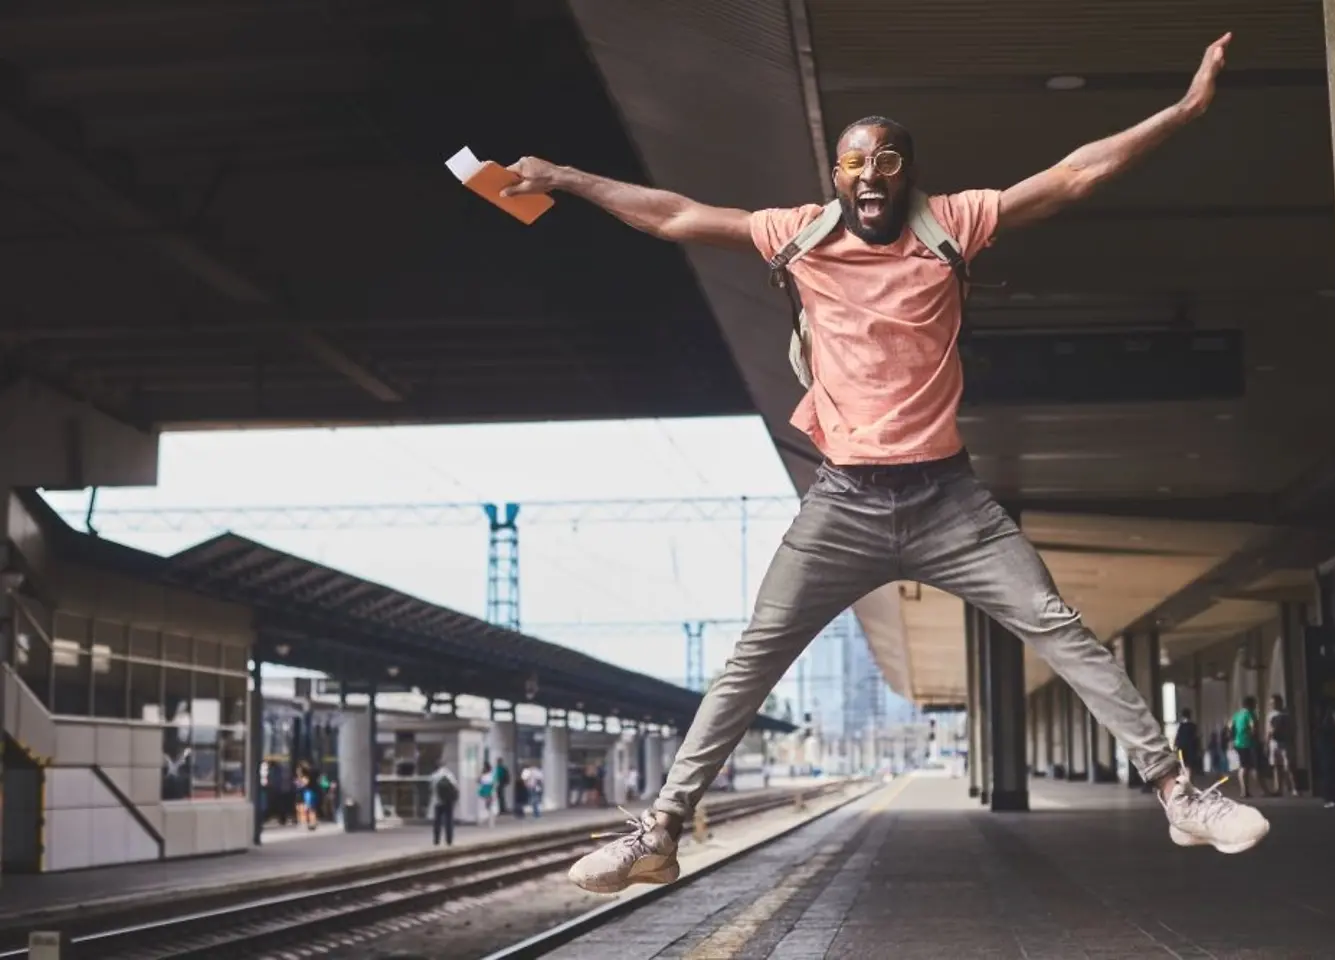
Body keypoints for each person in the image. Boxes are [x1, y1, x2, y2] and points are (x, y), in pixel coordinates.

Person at [499, 32, 1268, 895]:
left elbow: (1072, 176)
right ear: (836, 175)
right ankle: (662, 831)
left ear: (908, 172)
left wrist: (1185, 110)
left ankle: (1178, 794)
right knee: (753, 657)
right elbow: (674, 215)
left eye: (888, 160)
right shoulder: (798, 236)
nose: (870, 175)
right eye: (854, 163)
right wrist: (565, 178)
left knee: (1061, 628)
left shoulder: (956, 225)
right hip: (842, 506)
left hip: (951, 503)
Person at [1266, 694, 1298, 797]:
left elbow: (1292, 727)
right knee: (1276, 766)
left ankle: (1294, 788)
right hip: (1274, 743)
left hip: (1285, 742)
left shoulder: (1286, 714)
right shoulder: (1270, 715)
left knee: (1288, 766)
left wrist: (1292, 740)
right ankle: (1278, 788)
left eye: (1274, 702)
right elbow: (1269, 729)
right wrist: (1267, 742)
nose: (1273, 704)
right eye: (1271, 703)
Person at [1229, 696, 1260, 799]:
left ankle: (1244, 791)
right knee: (1254, 766)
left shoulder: (1237, 714)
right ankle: (1259, 789)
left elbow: (1230, 727)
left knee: (1243, 766)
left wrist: (1233, 738)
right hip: (1249, 742)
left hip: (1238, 743)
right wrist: (1255, 737)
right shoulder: (1250, 713)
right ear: (1251, 704)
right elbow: (1253, 726)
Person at [430, 761, 459, 846]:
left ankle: (436, 840)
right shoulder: (449, 775)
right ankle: (449, 840)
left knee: (437, 821)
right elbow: (456, 787)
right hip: (449, 801)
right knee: (449, 820)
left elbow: (432, 789)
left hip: (438, 801)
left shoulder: (434, 776)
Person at [1173, 708, 1203, 781]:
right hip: (1191, 750)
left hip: (1181, 750)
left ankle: (1182, 781)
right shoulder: (1193, 726)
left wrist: (1175, 747)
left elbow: (1177, 738)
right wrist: (1199, 749)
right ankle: (1187, 781)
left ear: (1183, 716)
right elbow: (1197, 738)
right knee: (1188, 767)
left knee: (1181, 765)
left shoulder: (1181, 726)